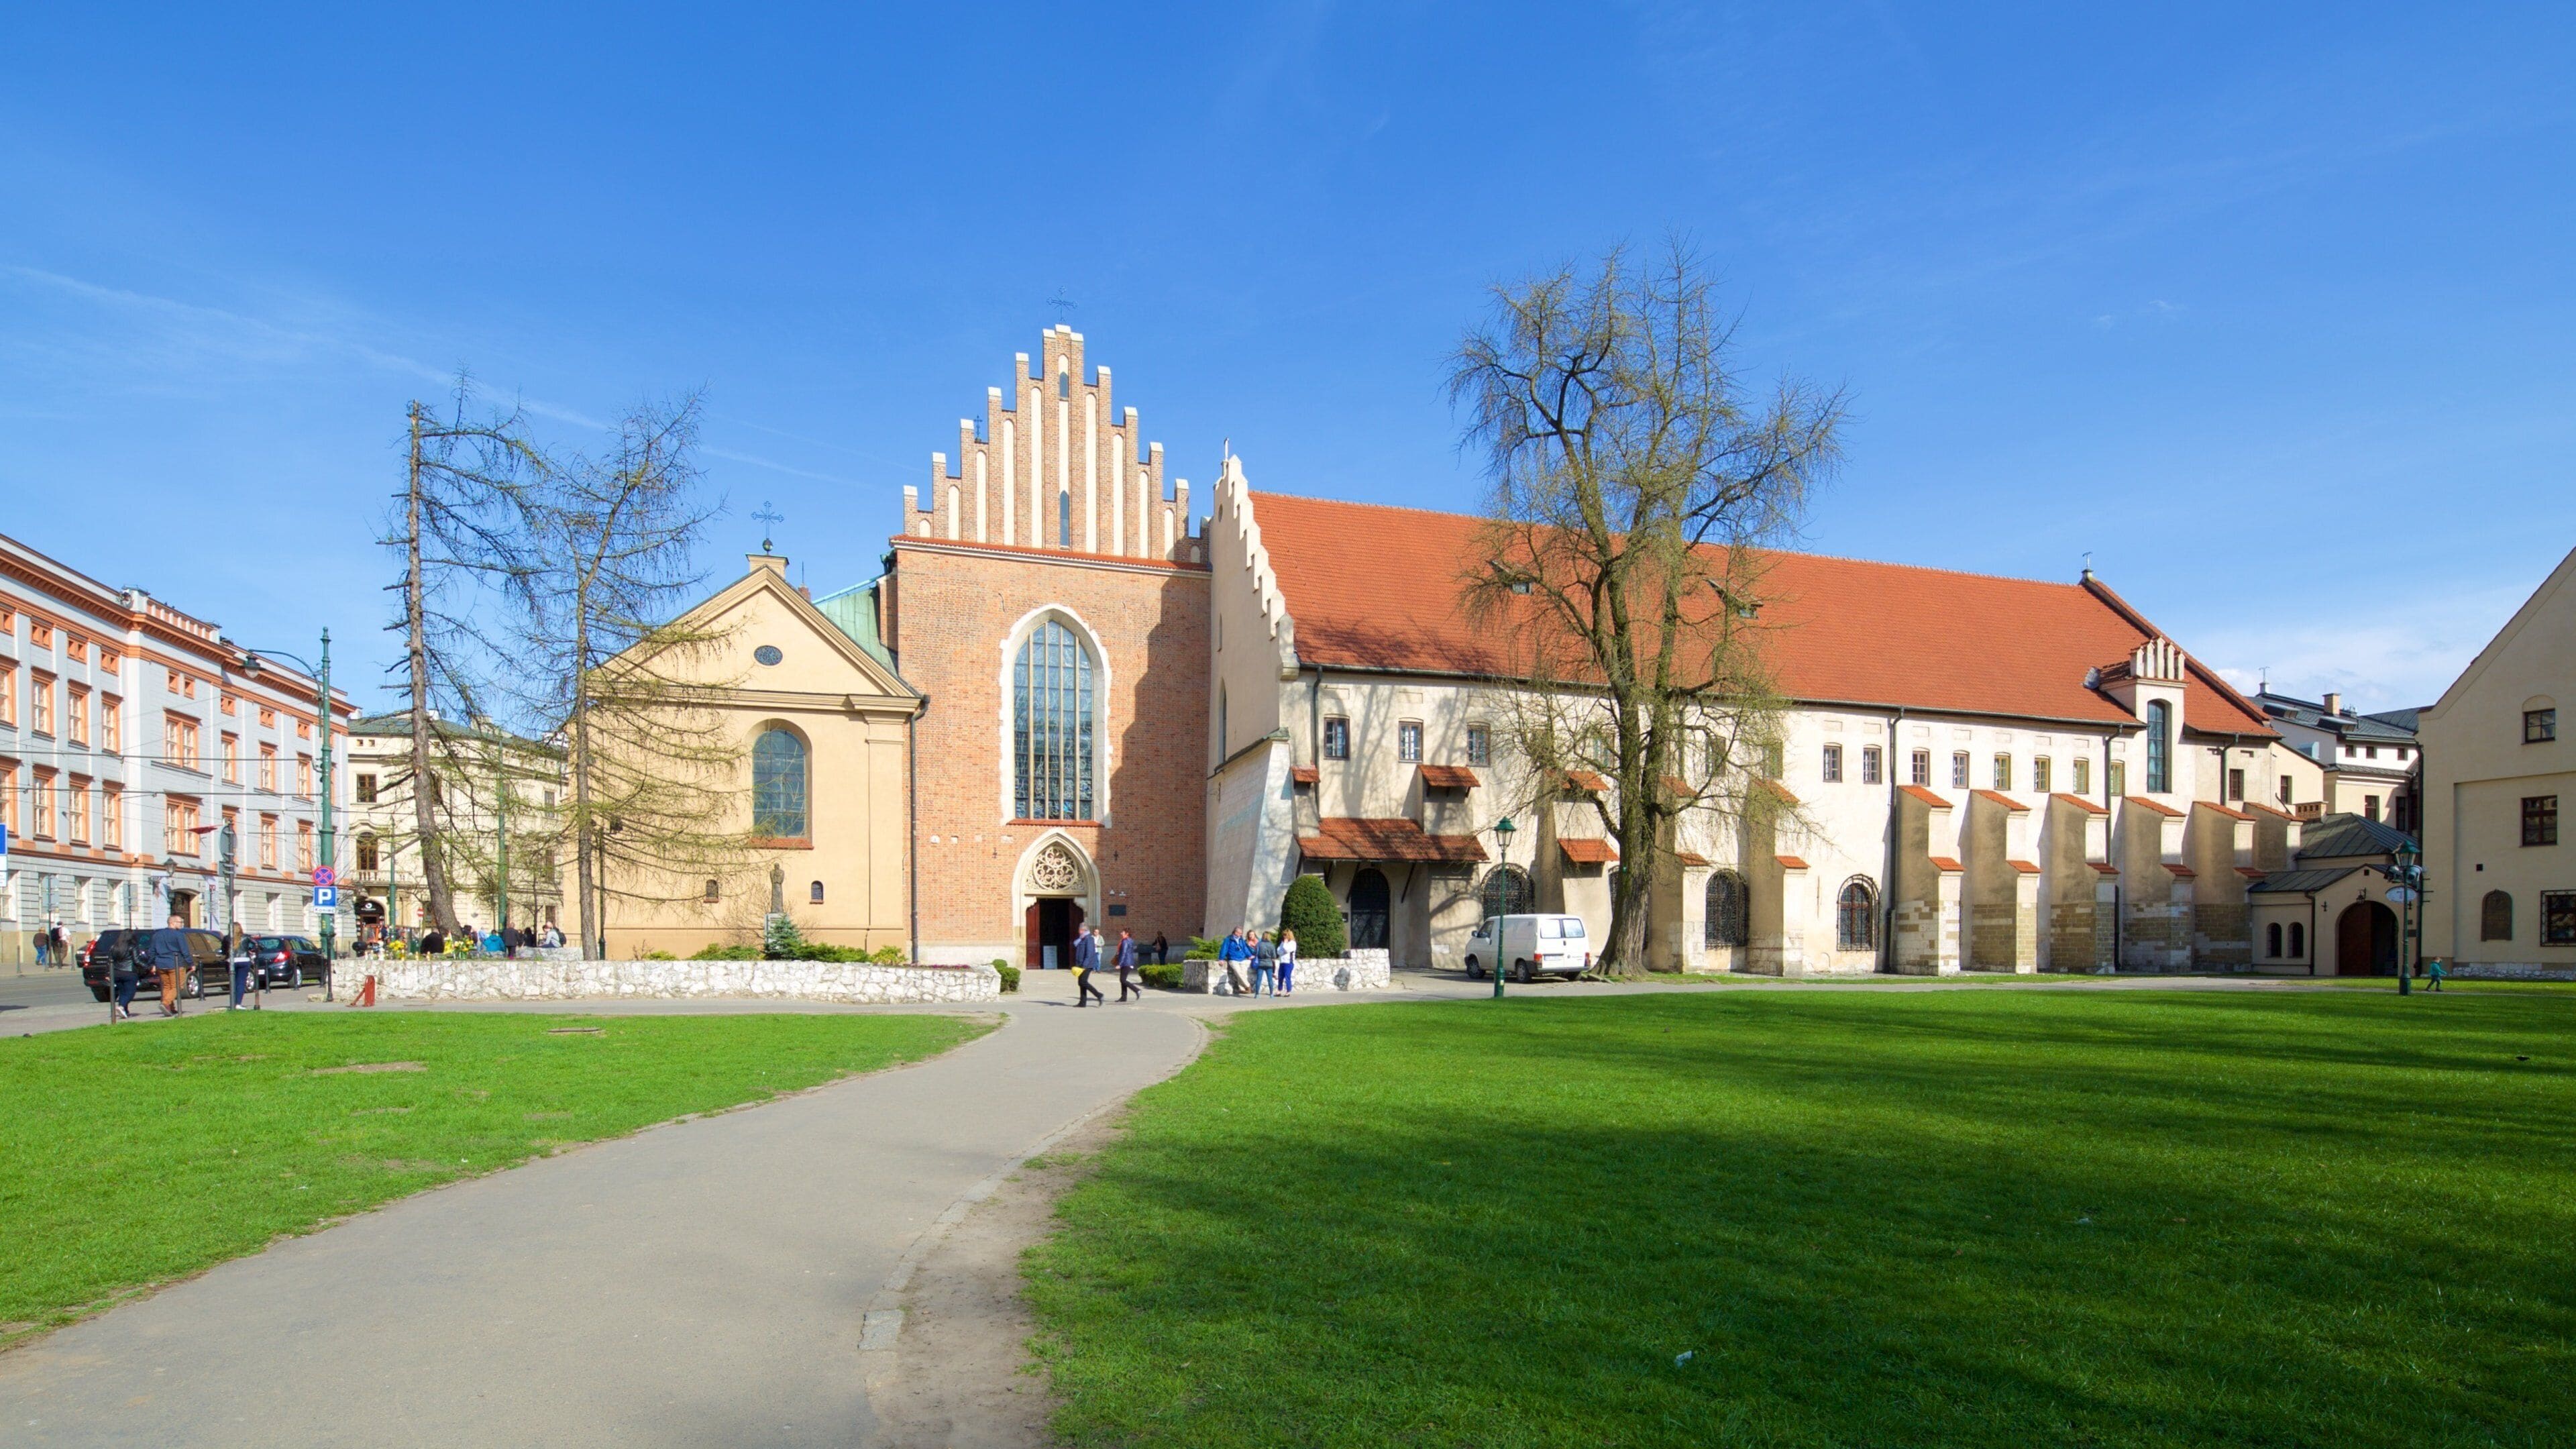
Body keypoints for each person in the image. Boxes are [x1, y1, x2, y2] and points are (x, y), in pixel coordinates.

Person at [152, 924, 191, 1017]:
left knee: (167, 986)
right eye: (180, 922)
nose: (182, 924)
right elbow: (184, 950)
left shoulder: (157, 935)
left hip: (161, 964)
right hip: (176, 963)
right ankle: (165, 1003)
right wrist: (190, 963)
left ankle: (170, 1008)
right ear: (173, 923)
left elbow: (152, 950)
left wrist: (152, 964)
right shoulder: (179, 935)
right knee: (178, 986)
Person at [109, 932, 142, 1021]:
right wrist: (148, 966)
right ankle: (122, 1006)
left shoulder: (114, 947)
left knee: (122, 992)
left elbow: (109, 961)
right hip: (129, 973)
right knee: (130, 993)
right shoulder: (132, 947)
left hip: (116, 973)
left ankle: (125, 1011)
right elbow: (137, 961)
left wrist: (108, 973)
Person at [1072, 924, 1106, 1007]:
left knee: (1083, 982)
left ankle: (1099, 995)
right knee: (1081, 983)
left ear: (1083, 930)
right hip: (1081, 964)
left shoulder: (1089, 939)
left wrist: (1084, 965)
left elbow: (1089, 953)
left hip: (1087, 965)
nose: (1079, 931)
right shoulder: (1082, 939)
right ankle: (1083, 1002)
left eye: (1080, 930)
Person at [1218, 928, 1252, 997]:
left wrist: (1249, 955)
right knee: (1238, 972)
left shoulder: (1241, 939)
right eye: (1240, 933)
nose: (1241, 934)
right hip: (1233, 959)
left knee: (1243, 974)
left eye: (1241, 933)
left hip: (1242, 958)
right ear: (1235, 932)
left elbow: (1244, 948)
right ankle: (1248, 986)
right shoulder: (1228, 940)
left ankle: (1242, 988)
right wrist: (1221, 958)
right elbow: (1224, 949)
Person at [1250, 930, 1280, 997]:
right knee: (1270, 980)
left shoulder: (1259, 944)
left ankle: (1257, 994)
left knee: (1259, 979)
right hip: (1269, 964)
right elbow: (1274, 956)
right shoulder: (1272, 945)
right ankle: (1271, 994)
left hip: (1260, 963)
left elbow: (1255, 953)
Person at [1114, 928, 1140, 1002]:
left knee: (1123, 980)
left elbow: (1124, 953)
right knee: (1123, 980)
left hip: (1126, 963)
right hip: (1128, 962)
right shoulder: (1129, 940)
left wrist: (1120, 964)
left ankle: (1137, 990)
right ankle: (1124, 997)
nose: (1121, 933)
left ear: (1127, 933)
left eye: (1122, 932)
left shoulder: (1125, 941)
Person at [1277, 928, 1298, 996]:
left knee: (1287, 977)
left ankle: (1288, 991)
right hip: (1282, 962)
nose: (1284, 937)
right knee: (1280, 977)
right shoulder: (1283, 943)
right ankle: (1279, 990)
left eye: (1285, 935)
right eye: (1283, 935)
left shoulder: (1293, 943)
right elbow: (1278, 951)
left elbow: (1287, 950)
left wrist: (1285, 945)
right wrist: (1283, 950)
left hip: (1289, 963)